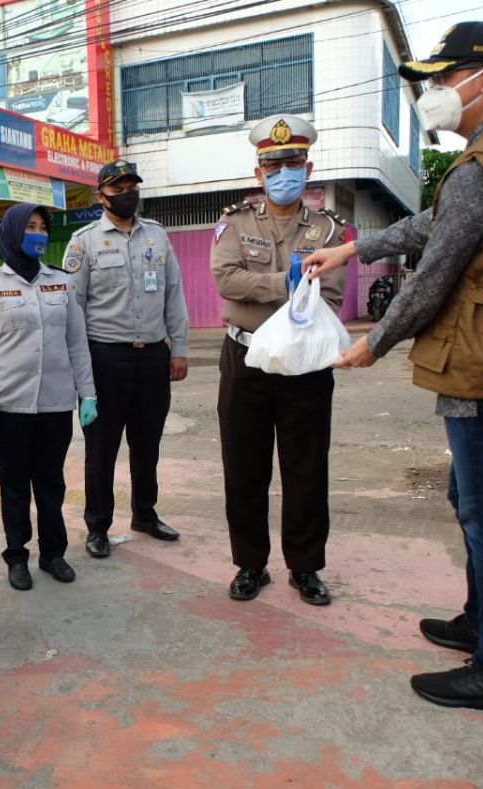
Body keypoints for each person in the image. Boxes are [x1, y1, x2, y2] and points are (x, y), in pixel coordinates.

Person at [304, 21, 483, 714]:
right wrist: (355, 248)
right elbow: (435, 223)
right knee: (476, 502)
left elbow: (433, 274)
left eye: (443, 78)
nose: (435, 93)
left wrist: (377, 340)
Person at [209, 115, 348, 606]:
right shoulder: (234, 223)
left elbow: (329, 294)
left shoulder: (331, 230)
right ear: (259, 172)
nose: (283, 171)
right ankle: (251, 563)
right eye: (274, 164)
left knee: (306, 468)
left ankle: (305, 567)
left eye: (292, 162)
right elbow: (226, 279)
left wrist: (272, 287)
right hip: (244, 357)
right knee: (244, 466)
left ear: (307, 167)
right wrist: (286, 285)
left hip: (306, 363)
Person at [62, 160, 190, 559]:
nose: (127, 194)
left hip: (153, 356)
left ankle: (145, 514)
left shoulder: (157, 236)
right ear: (101, 196)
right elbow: (72, 309)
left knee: (147, 443)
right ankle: (97, 525)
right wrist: (81, 372)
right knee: (102, 447)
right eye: (118, 189)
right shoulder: (83, 242)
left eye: (132, 186)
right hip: (105, 357)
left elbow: (173, 293)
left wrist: (179, 348)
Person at [0, 203, 97, 591]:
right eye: (30, 226)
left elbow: (77, 343)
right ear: (12, 232)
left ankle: (53, 554)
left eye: (43, 227)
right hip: (10, 408)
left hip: (56, 404)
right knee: (13, 486)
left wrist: (87, 395)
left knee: (51, 483)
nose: (39, 233)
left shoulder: (62, 282)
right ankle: (17, 556)